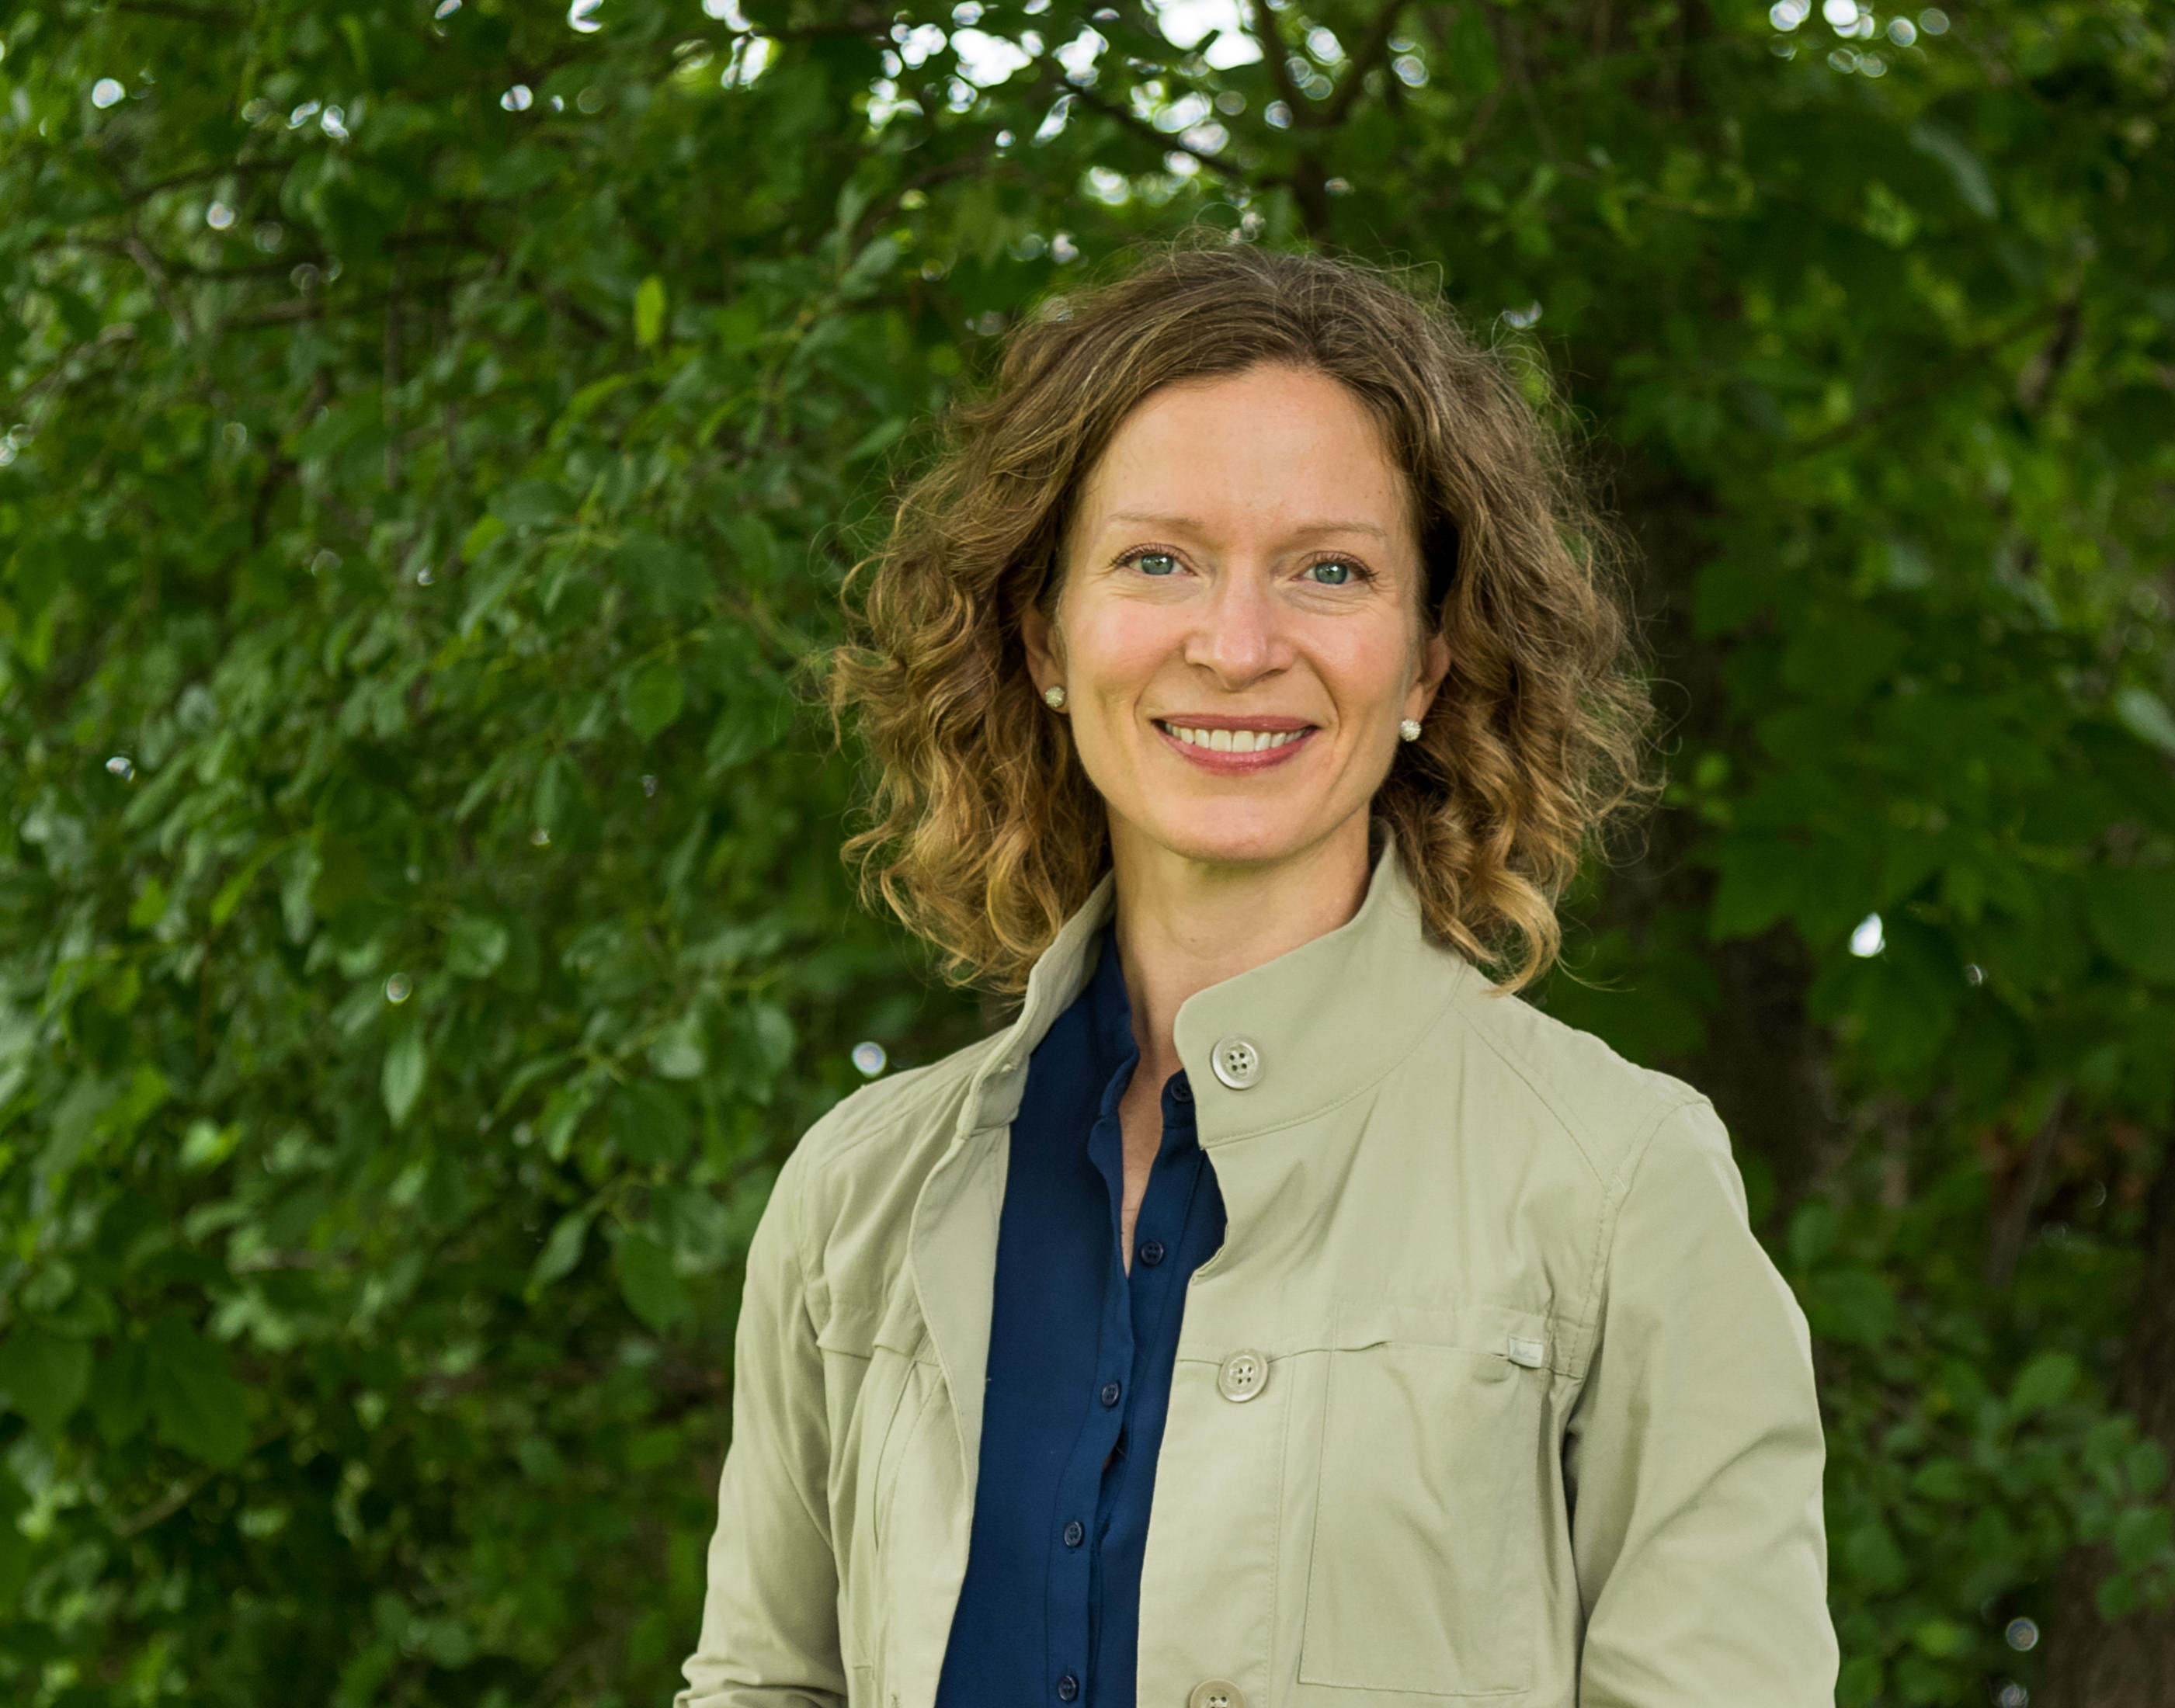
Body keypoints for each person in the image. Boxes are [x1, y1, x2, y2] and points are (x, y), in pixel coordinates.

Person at [676, 239, 1836, 1708]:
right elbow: (763, 1684)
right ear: (1042, 635)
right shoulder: (856, 1193)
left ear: (1425, 663)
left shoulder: (1618, 1188)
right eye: (1157, 560)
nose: (1235, 645)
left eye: (1329, 571)